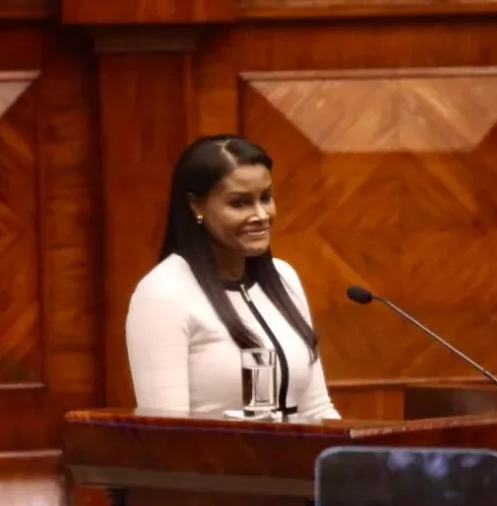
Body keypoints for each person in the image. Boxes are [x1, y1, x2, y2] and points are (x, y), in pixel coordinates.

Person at [124, 134, 340, 420]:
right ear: (196, 206)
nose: (261, 215)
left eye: (266, 198)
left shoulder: (283, 277)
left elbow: (317, 409)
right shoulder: (163, 293)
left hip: (299, 449)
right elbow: (167, 431)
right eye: (240, 203)